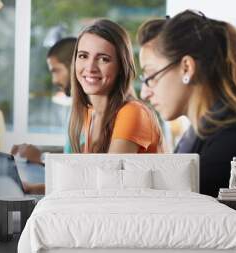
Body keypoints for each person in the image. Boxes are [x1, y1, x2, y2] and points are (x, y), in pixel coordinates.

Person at [137, 10, 236, 233]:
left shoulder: (234, 146)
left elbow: (177, 230)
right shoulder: (205, 134)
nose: (145, 93)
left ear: (186, 67)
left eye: (151, 76)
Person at [69, 19, 165, 154]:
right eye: (83, 56)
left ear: (121, 66)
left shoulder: (132, 112)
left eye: (103, 59)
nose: (90, 68)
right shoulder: (89, 113)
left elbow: (110, 174)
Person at [11, 37, 77, 164]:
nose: (54, 80)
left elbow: (83, 162)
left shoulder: (94, 110)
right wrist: (39, 150)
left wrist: (42, 157)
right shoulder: (77, 107)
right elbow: (72, 152)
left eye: (56, 71)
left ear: (73, 67)